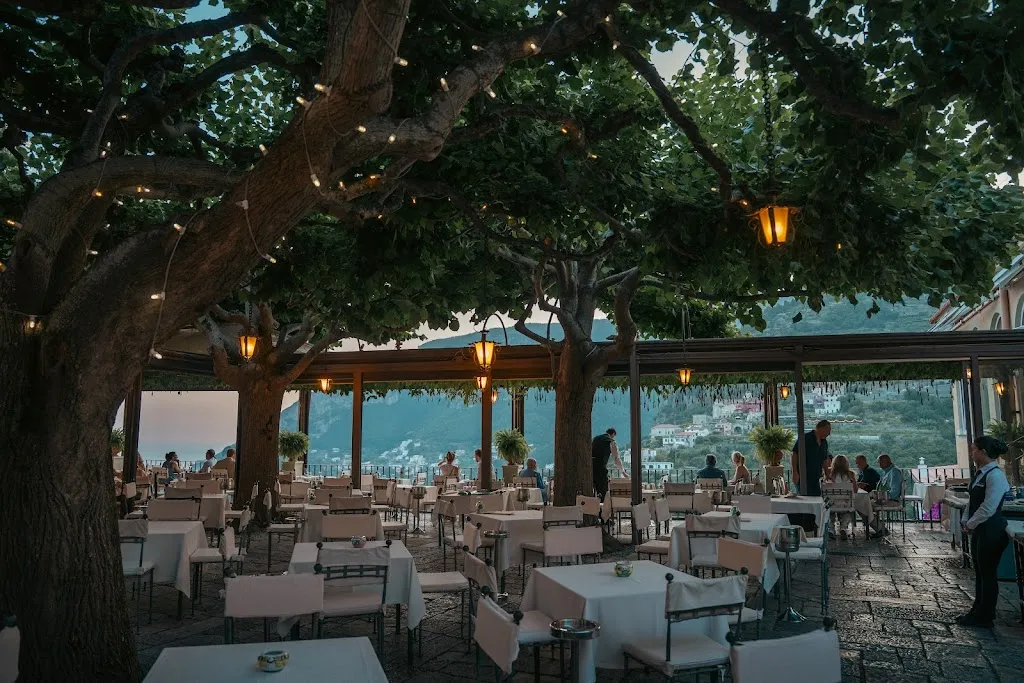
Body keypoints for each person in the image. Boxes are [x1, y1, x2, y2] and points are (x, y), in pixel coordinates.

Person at [958, 436, 1010, 628]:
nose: (972, 453)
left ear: (983, 452)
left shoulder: (995, 475)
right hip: (980, 528)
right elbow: (973, 500)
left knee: (987, 573)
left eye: (974, 450)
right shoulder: (980, 474)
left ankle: (986, 614)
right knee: (979, 571)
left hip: (992, 529)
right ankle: (977, 610)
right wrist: (966, 520)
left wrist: (970, 524)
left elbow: (989, 506)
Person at [791, 419, 831, 496]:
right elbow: (794, 454)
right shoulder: (805, 438)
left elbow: (824, 459)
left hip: (816, 478)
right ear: (820, 428)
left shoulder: (824, 443)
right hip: (803, 476)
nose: (829, 433)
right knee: (805, 498)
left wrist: (827, 474)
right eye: (828, 430)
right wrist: (794, 472)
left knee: (817, 497)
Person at [591, 428, 625, 500]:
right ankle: (602, 508)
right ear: (613, 434)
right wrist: (623, 472)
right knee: (603, 492)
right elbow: (616, 459)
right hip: (600, 468)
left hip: (590, 467)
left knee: (593, 491)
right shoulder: (611, 441)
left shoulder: (595, 439)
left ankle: (593, 508)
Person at [828, 454, 857, 539]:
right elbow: (855, 490)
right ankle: (843, 528)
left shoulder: (829, 474)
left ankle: (831, 529)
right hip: (846, 503)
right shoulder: (851, 474)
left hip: (832, 503)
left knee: (830, 512)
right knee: (847, 511)